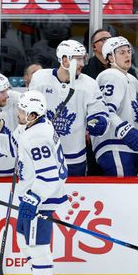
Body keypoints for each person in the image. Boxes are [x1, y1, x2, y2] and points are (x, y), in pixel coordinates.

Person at [12, 89, 68, 275]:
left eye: (23, 111)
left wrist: (33, 199)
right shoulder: (34, 128)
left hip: (42, 197)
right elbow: (18, 143)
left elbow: (49, 175)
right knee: (23, 239)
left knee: (37, 246)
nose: (19, 113)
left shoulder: (38, 136)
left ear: (34, 115)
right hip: (34, 194)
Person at [28, 39, 108, 176]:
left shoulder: (89, 85)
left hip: (75, 157)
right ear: (64, 60)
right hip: (43, 153)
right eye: (78, 59)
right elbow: (29, 112)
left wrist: (99, 121)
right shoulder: (40, 79)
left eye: (83, 59)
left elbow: (99, 111)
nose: (82, 64)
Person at [93, 36, 138, 176]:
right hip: (115, 145)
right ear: (110, 58)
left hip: (132, 146)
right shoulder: (110, 75)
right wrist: (124, 130)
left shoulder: (132, 80)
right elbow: (104, 110)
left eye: (128, 51)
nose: (127, 54)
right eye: (122, 52)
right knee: (121, 193)